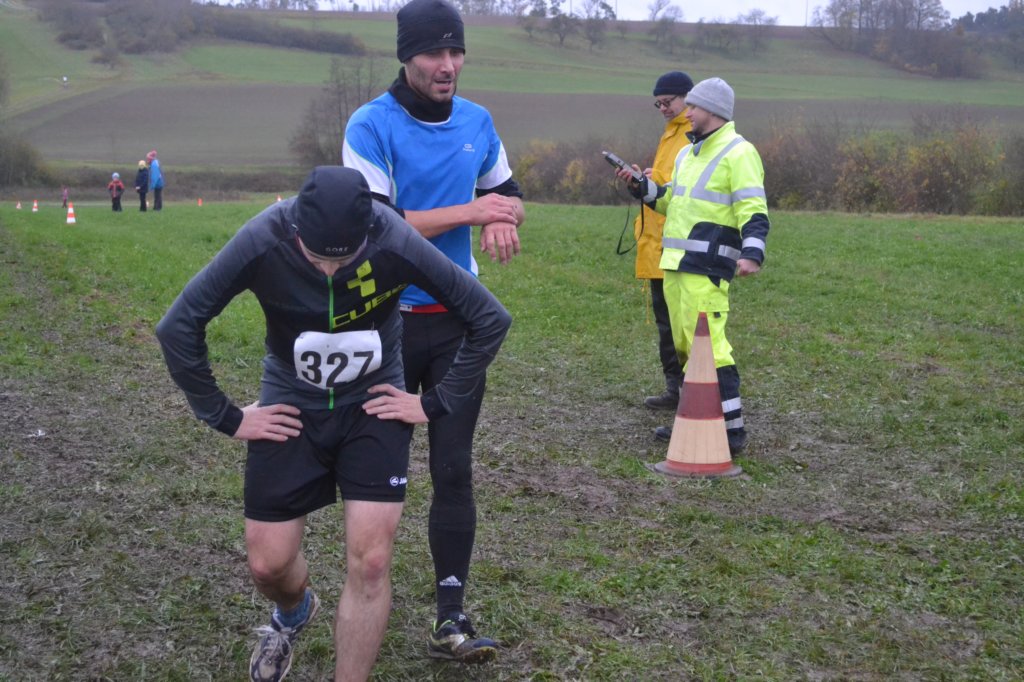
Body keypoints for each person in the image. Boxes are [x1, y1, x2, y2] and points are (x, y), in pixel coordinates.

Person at [155, 166, 511, 682]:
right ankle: (293, 610)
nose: (328, 271)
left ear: (367, 233)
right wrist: (227, 417)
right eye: (316, 257)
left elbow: (489, 317)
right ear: (297, 228)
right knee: (268, 565)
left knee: (371, 562)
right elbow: (178, 326)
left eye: (342, 261)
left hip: (373, 402)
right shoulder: (264, 237)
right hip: (291, 402)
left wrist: (433, 403)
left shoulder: (394, 238)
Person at [342, 0, 524, 663]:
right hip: (384, 324)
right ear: (406, 56)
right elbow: (375, 227)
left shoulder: (478, 121)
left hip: (454, 325)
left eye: (456, 52)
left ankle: (451, 618)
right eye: (433, 53)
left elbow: (510, 194)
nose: (448, 65)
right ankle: (350, 591)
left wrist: (502, 215)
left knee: (453, 469)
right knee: (373, 476)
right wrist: (474, 211)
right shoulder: (370, 125)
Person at [615, 77, 769, 455]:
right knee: (686, 348)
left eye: (694, 106)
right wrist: (641, 187)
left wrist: (752, 252)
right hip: (675, 265)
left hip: (707, 267)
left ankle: (730, 432)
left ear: (712, 110)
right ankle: (692, 419)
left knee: (711, 350)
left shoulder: (739, 152)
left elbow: (753, 208)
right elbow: (671, 202)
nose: (688, 112)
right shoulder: (688, 154)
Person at [634, 71, 694, 413]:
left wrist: (654, 184)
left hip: (677, 241)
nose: (663, 109)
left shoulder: (692, 134)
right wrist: (647, 180)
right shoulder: (670, 133)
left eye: (667, 102)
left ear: (687, 96)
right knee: (665, 324)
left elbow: (682, 188)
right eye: (658, 104)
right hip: (657, 238)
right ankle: (675, 389)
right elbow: (667, 181)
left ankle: (693, 389)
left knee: (682, 323)